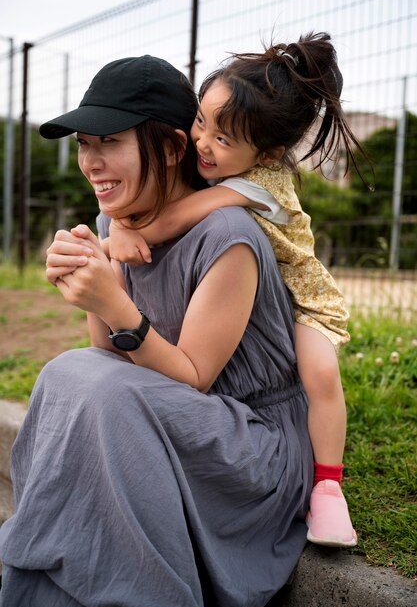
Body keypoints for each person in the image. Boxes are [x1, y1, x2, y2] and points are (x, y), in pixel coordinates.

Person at [0, 55, 313, 607]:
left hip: (251, 444)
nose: (91, 163)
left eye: (109, 142)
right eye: (84, 144)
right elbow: (107, 360)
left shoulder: (229, 236)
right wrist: (92, 280)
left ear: (171, 148)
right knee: (67, 373)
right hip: (167, 419)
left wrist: (114, 303)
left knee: (92, 384)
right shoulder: (112, 223)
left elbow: (193, 378)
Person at [100, 32, 364, 547]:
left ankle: (329, 488)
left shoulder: (256, 184)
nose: (202, 143)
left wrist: (121, 233)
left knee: (320, 373)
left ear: (266, 152)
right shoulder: (220, 165)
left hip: (306, 303)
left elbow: (177, 215)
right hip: (262, 298)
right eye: (202, 121)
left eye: (223, 139)